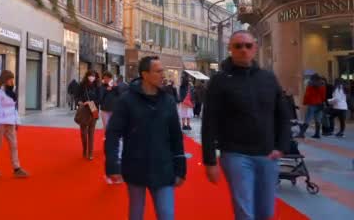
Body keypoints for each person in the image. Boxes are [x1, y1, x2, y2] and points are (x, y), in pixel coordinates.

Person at [202, 30, 291, 220]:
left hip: (267, 154)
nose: (243, 50)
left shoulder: (268, 78)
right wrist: (210, 161)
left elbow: (283, 114)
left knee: (266, 212)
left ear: (255, 48)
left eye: (248, 46)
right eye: (238, 46)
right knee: (244, 211)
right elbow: (209, 121)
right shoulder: (220, 80)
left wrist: (282, 146)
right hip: (236, 154)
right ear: (230, 49)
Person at [105, 56, 186, 220]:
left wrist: (181, 168)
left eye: (162, 70)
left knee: (166, 215)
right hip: (135, 167)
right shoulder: (127, 101)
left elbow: (176, 137)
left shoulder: (168, 101)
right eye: (158, 71)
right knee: (136, 213)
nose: (163, 74)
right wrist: (112, 164)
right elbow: (113, 133)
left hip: (163, 168)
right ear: (145, 74)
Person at [0, 70, 29, 178]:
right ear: (5, 80)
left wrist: (17, 121)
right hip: (1, 122)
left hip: (10, 122)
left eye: (13, 79)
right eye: (10, 79)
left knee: (14, 145)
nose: (12, 81)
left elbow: (13, 107)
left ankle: (17, 168)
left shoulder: (12, 91)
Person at [75, 70, 101, 160]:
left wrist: (92, 102)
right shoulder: (82, 85)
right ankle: (84, 149)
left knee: (91, 132)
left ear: (95, 77)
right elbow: (77, 97)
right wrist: (81, 102)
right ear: (87, 76)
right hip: (84, 110)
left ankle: (90, 153)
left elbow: (100, 99)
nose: (91, 77)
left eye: (93, 76)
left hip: (93, 108)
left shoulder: (97, 86)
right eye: (90, 75)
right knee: (83, 133)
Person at [297, 74, 326, 139]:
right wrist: (322, 101)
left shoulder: (310, 84)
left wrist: (305, 102)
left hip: (312, 104)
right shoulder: (322, 84)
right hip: (320, 104)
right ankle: (317, 134)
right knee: (318, 119)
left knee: (307, 119)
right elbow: (323, 95)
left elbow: (307, 95)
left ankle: (301, 133)